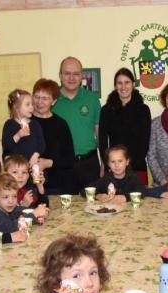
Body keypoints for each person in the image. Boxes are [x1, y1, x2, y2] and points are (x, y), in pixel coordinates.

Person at [53, 57, 102, 192]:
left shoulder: (92, 99)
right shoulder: (51, 99)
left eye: (76, 74)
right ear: (60, 75)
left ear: (81, 76)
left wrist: (104, 162)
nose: (71, 78)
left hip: (89, 164)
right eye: (67, 73)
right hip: (61, 166)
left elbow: (99, 133)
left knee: (93, 206)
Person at [98, 68, 152, 185]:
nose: (123, 87)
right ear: (115, 86)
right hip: (114, 168)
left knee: (139, 202)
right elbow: (102, 141)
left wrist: (129, 166)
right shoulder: (106, 110)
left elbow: (145, 141)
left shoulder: (143, 110)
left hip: (137, 168)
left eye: (127, 82)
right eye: (119, 83)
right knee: (112, 202)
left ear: (133, 84)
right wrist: (110, 163)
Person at [32, 79, 76, 195]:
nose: (39, 102)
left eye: (45, 98)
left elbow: (70, 159)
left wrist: (48, 163)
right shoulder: (24, 123)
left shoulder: (60, 124)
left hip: (58, 185)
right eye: (37, 97)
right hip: (29, 186)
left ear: (53, 101)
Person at [0, 172, 42, 244]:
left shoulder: (7, 207)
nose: (11, 201)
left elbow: (20, 210)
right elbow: (10, 229)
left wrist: (38, 212)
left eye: (14, 196)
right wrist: (34, 214)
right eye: (6, 197)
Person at [1, 89, 45, 165]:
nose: (32, 107)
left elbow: (42, 144)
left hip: (33, 165)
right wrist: (18, 135)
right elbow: (6, 146)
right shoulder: (9, 124)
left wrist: (36, 155)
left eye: (32, 104)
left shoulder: (35, 124)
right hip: (17, 168)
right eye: (27, 104)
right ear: (16, 107)